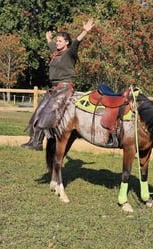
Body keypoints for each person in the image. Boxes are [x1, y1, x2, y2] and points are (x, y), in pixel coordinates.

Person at [21, 18, 95, 150]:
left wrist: (84, 31)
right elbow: (51, 46)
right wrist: (48, 39)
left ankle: (40, 142)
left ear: (66, 43)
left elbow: (76, 42)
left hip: (65, 87)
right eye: (57, 41)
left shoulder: (69, 53)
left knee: (47, 114)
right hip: (53, 88)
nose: (57, 43)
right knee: (38, 113)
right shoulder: (57, 53)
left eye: (60, 41)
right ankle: (34, 141)